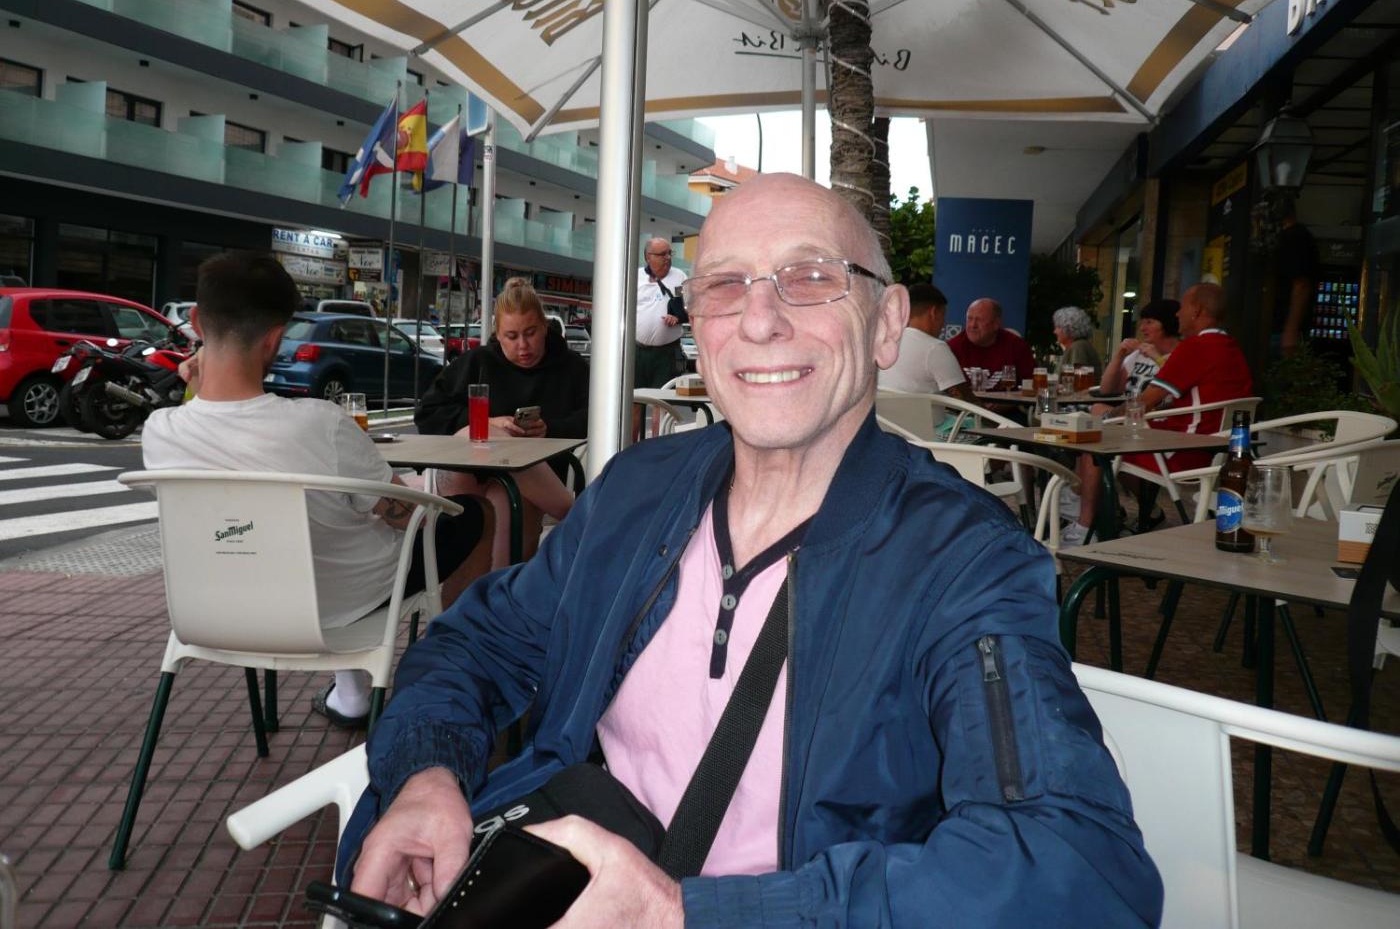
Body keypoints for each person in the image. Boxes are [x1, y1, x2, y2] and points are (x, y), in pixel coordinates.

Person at [336, 174, 1162, 927]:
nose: (761, 321)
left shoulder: (961, 560)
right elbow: (475, 646)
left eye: (811, 277)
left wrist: (685, 915)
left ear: (886, 324)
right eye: (725, 285)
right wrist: (427, 776)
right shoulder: (636, 493)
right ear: (696, 325)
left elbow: (1078, 868)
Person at [142, 252, 489, 728]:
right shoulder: (320, 424)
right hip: (337, 610)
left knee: (325, 523)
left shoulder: (160, 432)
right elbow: (406, 516)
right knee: (475, 513)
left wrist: (197, 381)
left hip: (214, 613)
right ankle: (447, 671)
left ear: (197, 322)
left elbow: (205, 417)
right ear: (275, 338)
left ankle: (351, 695)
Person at [415, 277, 588, 568]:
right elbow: (428, 413)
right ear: (498, 333)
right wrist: (489, 422)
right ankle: (576, 516)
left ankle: (493, 591)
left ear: (545, 327)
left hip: (540, 480)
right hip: (472, 475)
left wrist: (550, 429)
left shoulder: (571, 367)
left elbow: (594, 417)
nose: (523, 345)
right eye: (511, 336)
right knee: (487, 437)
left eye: (531, 333)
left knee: (505, 502)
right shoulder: (477, 363)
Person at [1062, 299, 1181, 545]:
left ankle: (1084, 513)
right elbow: (1107, 388)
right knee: (1092, 420)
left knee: (1094, 436)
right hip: (1128, 424)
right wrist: (1119, 355)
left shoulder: (1179, 355)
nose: (1143, 328)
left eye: (1150, 322)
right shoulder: (1138, 356)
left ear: (1168, 324)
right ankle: (1092, 503)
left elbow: (1173, 388)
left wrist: (1157, 357)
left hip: (1154, 428)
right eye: (1142, 322)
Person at [878, 282, 972, 399]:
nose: (943, 324)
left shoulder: (885, 342)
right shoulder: (935, 348)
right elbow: (965, 399)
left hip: (885, 411)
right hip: (921, 411)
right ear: (934, 312)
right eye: (943, 315)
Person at [1260, 192, 1319, 357]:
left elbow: (1301, 284)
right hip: (1280, 328)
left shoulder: (1295, 238)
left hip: (1282, 329)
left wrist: (1290, 329)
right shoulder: (1292, 237)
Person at [635, 236, 687, 388]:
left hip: (667, 353)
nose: (668, 257)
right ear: (648, 257)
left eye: (670, 253)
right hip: (638, 351)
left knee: (662, 396)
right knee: (635, 395)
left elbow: (689, 308)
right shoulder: (636, 276)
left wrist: (677, 317)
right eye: (662, 254)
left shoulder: (679, 277)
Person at [947, 297, 1035, 384]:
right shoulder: (953, 347)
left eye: (979, 320)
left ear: (996, 324)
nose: (973, 325)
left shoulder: (1017, 347)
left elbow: (1031, 384)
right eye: (969, 319)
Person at [1051, 306, 1101, 378]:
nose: (1054, 331)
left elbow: (1077, 380)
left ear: (1068, 328)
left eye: (1058, 327)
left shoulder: (1078, 346)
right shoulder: (1077, 345)